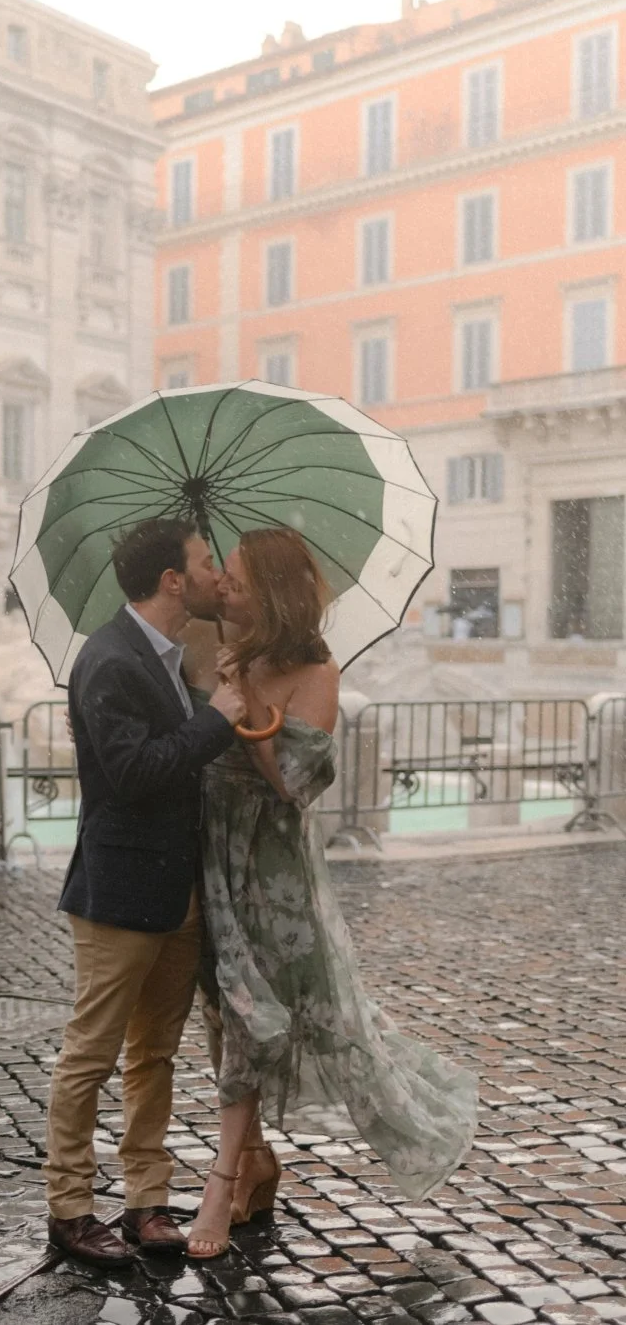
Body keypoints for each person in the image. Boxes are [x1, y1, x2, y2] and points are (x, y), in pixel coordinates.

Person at [182, 527, 478, 1260]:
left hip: (275, 872)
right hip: (209, 854)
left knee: (266, 1015)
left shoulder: (316, 670)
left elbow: (293, 783)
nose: (229, 588)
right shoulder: (215, 645)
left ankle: (221, 1184)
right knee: (227, 1009)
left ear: (275, 594)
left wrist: (243, 701)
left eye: (241, 580)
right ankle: (253, 1166)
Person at [44, 517, 248, 1268]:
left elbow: (177, 750)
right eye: (202, 563)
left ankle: (145, 1201)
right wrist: (218, 722)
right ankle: (69, 1210)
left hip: (177, 889)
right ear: (172, 580)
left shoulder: (169, 657)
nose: (211, 574)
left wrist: (214, 695)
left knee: (154, 1053)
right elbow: (134, 774)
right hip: (119, 890)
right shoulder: (109, 659)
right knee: (91, 1056)